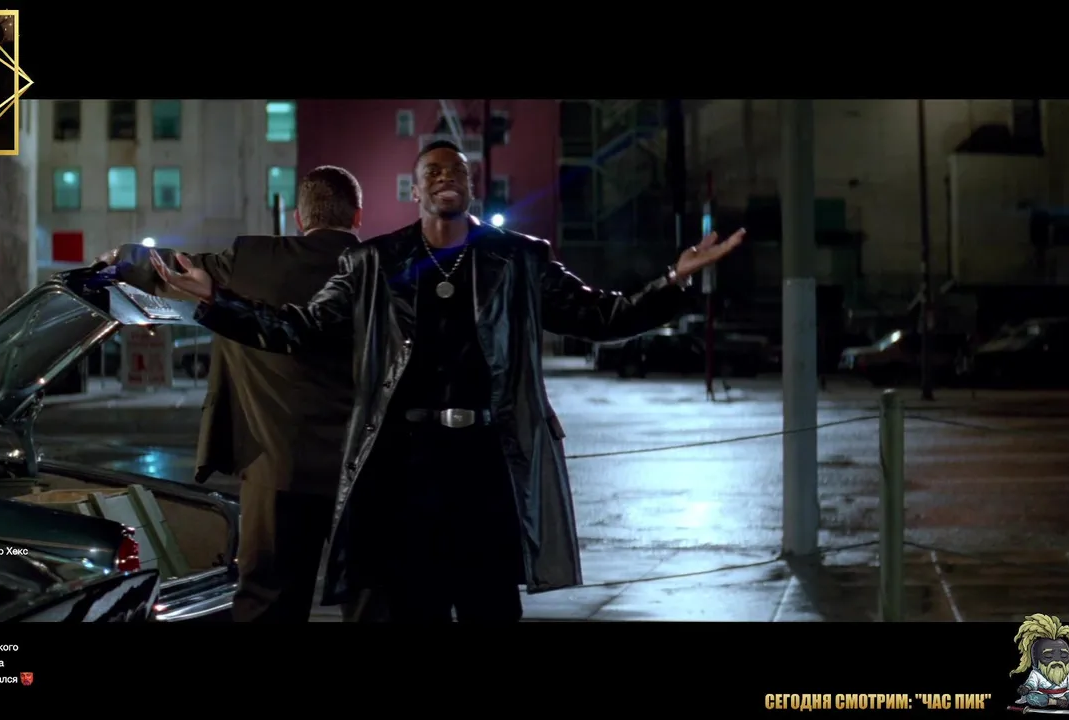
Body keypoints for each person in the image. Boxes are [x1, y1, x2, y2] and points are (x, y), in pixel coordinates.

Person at [150, 140, 745, 623]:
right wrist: (214, 302)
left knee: (491, 605)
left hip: (487, 464)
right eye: (431, 171)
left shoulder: (518, 259)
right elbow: (296, 329)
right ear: (415, 191)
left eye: (455, 170)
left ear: (470, 187)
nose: (444, 176)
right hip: (406, 471)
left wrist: (673, 281)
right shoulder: (374, 263)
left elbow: (601, 317)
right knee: (414, 606)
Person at [102, 166, 363, 622]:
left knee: (268, 602)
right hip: (364, 470)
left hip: (276, 467)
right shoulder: (381, 267)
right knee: (373, 601)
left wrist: (119, 257)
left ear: (299, 218)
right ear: (358, 216)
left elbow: (173, 271)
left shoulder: (253, 261)